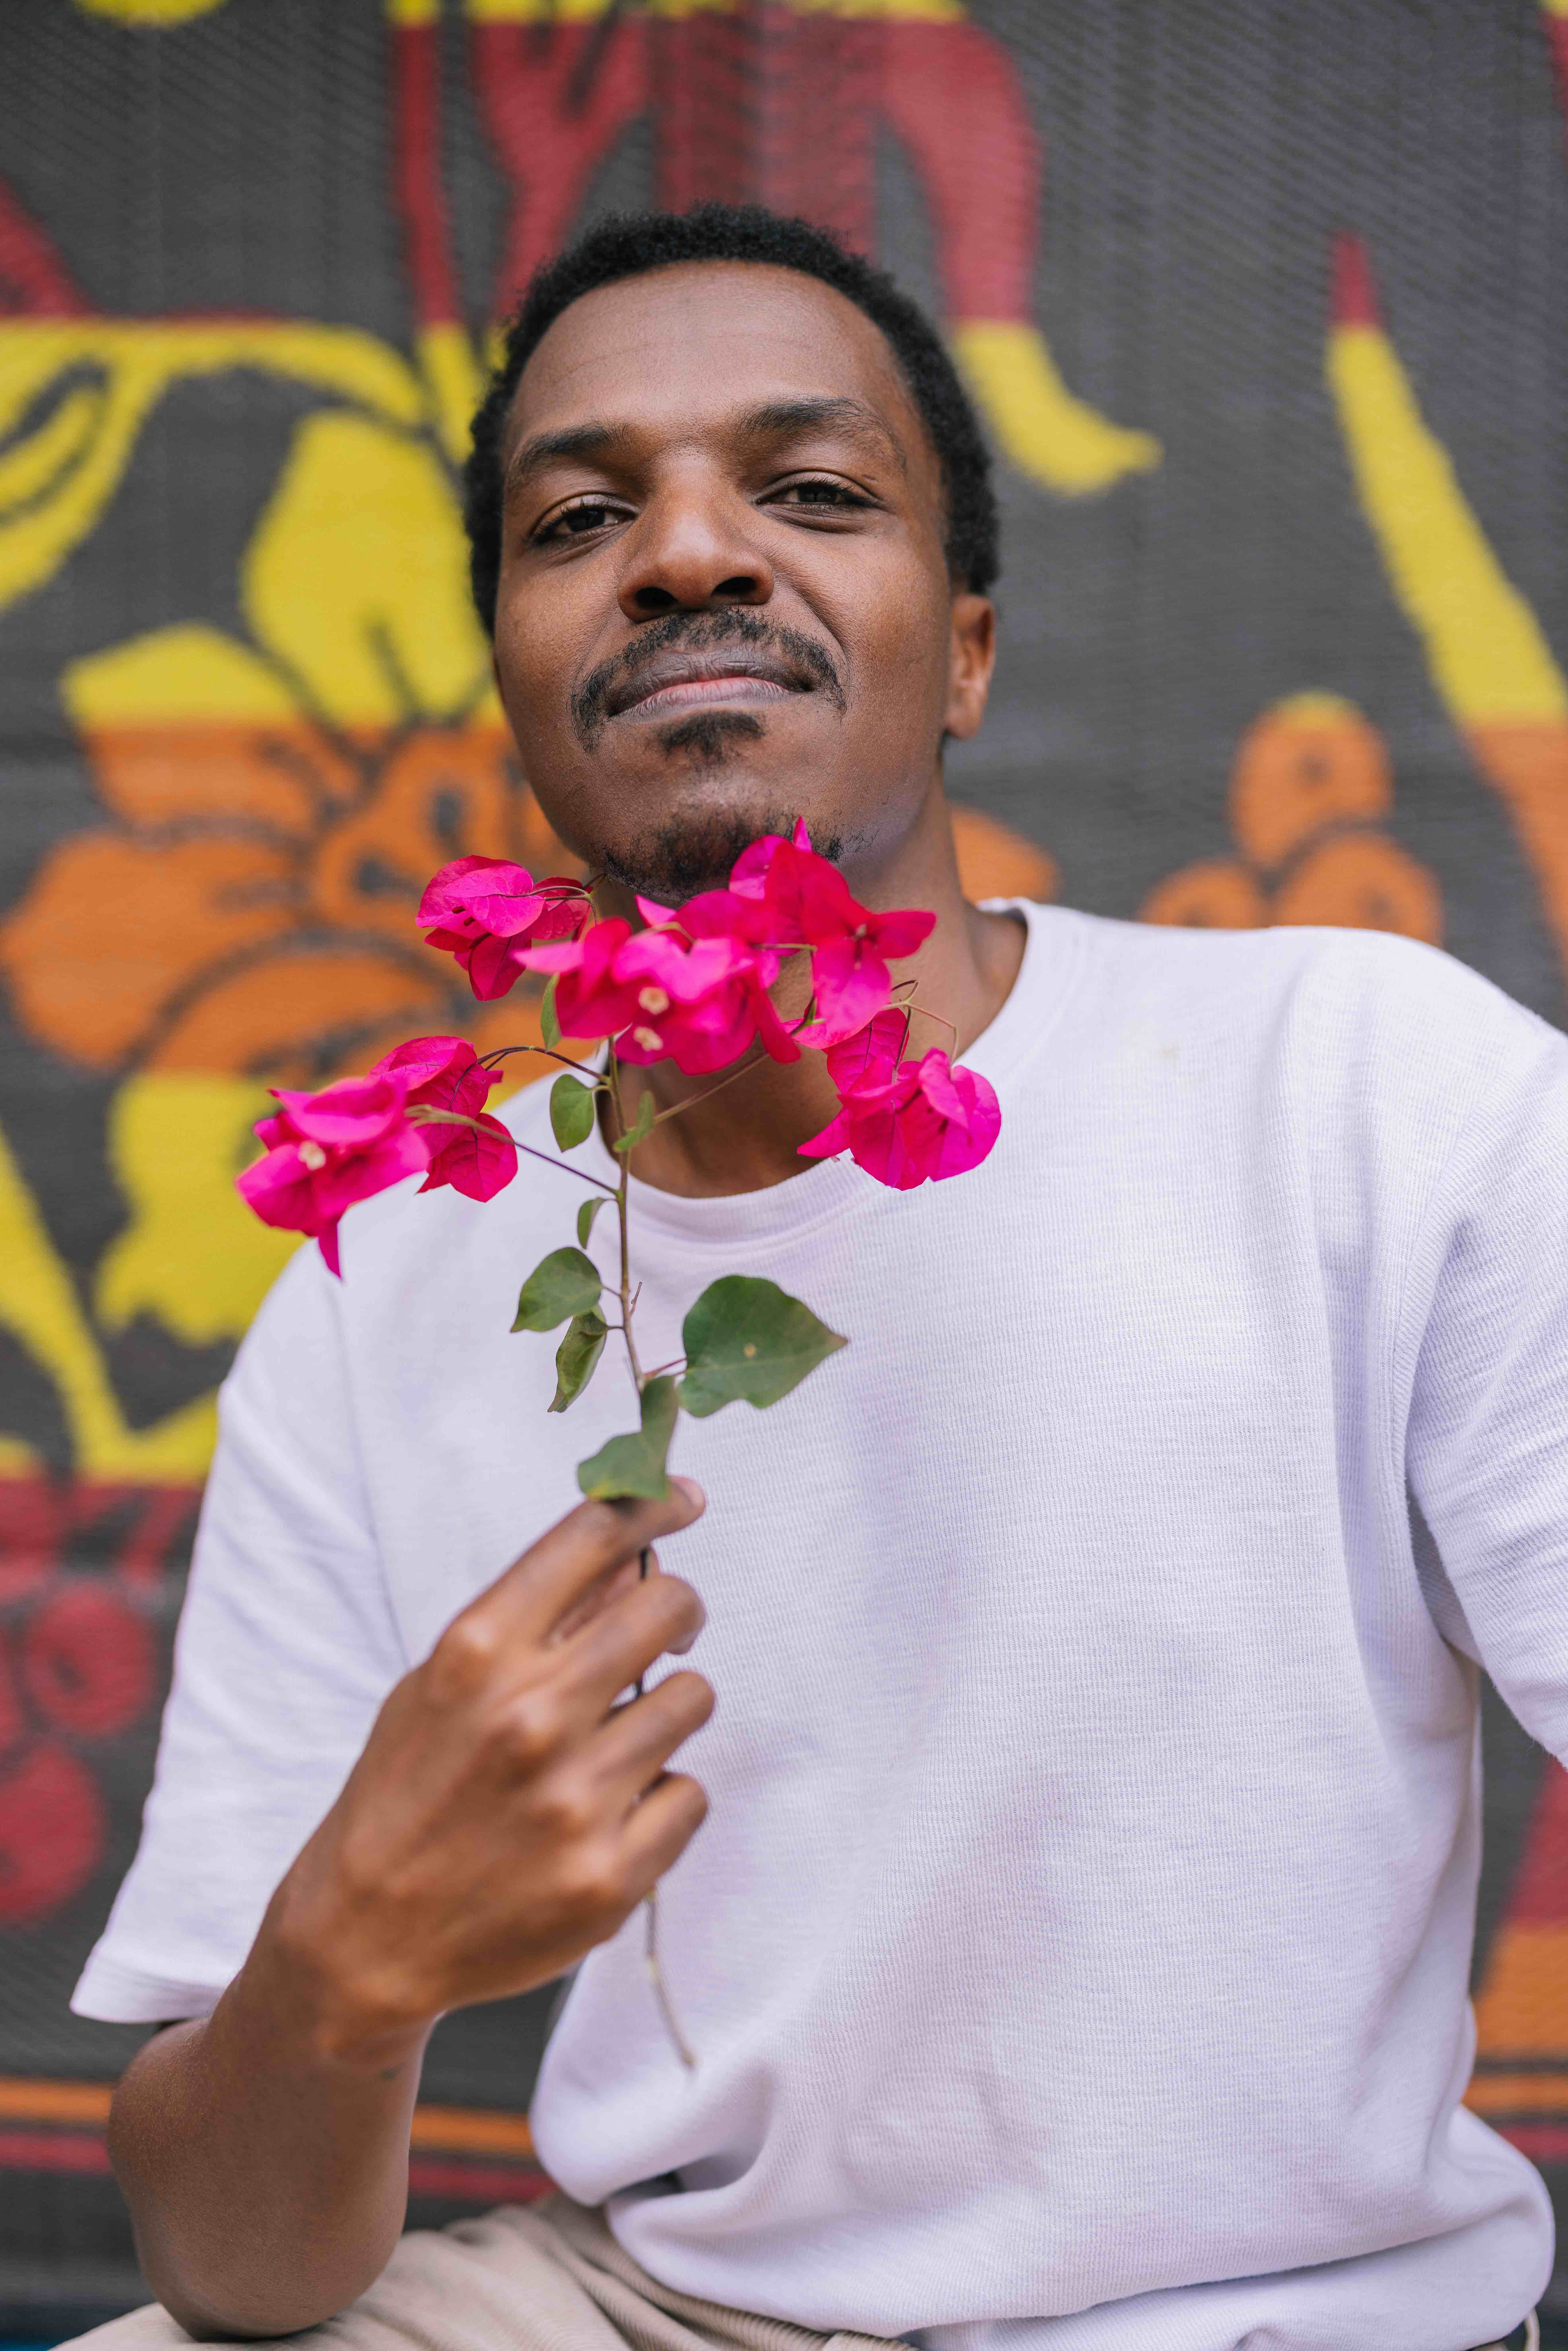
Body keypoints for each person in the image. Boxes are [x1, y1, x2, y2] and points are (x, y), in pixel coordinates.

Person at [67, 205, 1557, 2351]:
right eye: (580, 516)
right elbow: (233, 2270)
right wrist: (345, 1963)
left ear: (961, 650)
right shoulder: (383, 1280)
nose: (684, 553)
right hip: (656, 2309)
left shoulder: (1370, 1094)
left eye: (811, 490)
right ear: (508, 666)